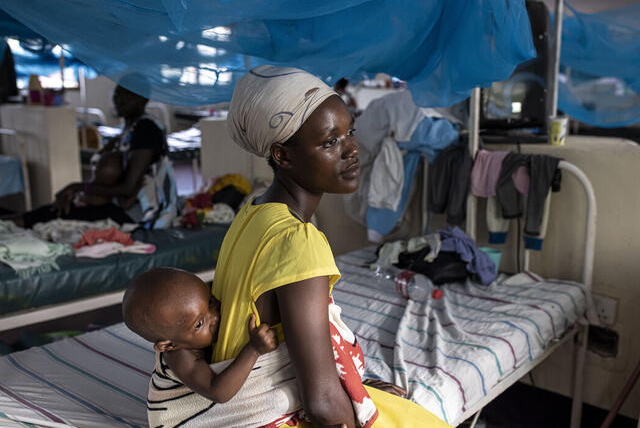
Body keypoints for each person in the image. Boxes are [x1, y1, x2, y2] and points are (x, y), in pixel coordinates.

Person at [214, 65, 451, 428]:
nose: (353, 149)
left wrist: (359, 383)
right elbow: (322, 405)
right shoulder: (297, 240)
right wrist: (358, 404)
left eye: (350, 132)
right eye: (330, 141)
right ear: (284, 156)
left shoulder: (253, 213)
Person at [122, 267, 286, 427]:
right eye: (199, 324)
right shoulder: (178, 357)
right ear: (169, 345)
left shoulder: (182, 335)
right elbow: (218, 392)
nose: (215, 316)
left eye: (210, 301)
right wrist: (254, 349)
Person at [21, 74, 177, 229]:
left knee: (49, 216)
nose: (120, 99)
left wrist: (77, 187)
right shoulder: (128, 131)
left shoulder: (146, 129)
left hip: (143, 214)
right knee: (50, 212)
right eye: (118, 93)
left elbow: (128, 188)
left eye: (128, 95)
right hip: (120, 206)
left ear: (143, 99)